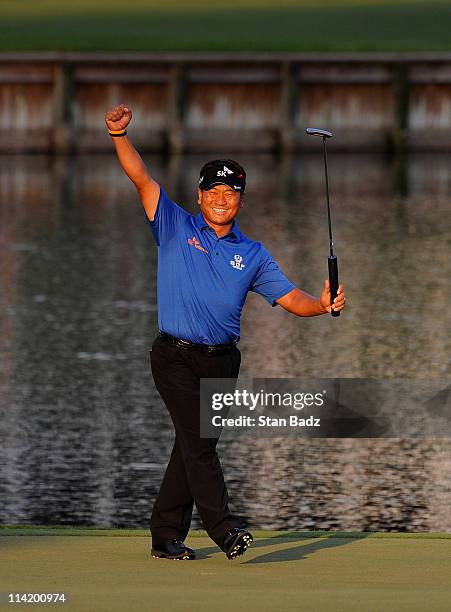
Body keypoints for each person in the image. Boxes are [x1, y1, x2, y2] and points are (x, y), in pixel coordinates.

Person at [105, 103, 346, 561]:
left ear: (241, 200)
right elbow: (140, 177)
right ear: (199, 196)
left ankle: (164, 536)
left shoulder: (253, 254)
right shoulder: (173, 226)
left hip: (222, 360)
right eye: (213, 190)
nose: (221, 198)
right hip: (173, 355)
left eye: (230, 192)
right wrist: (119, 135)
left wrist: (322, 304)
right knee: (198, 441)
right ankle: (225, 527)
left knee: (193, 445)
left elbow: (293, 299)